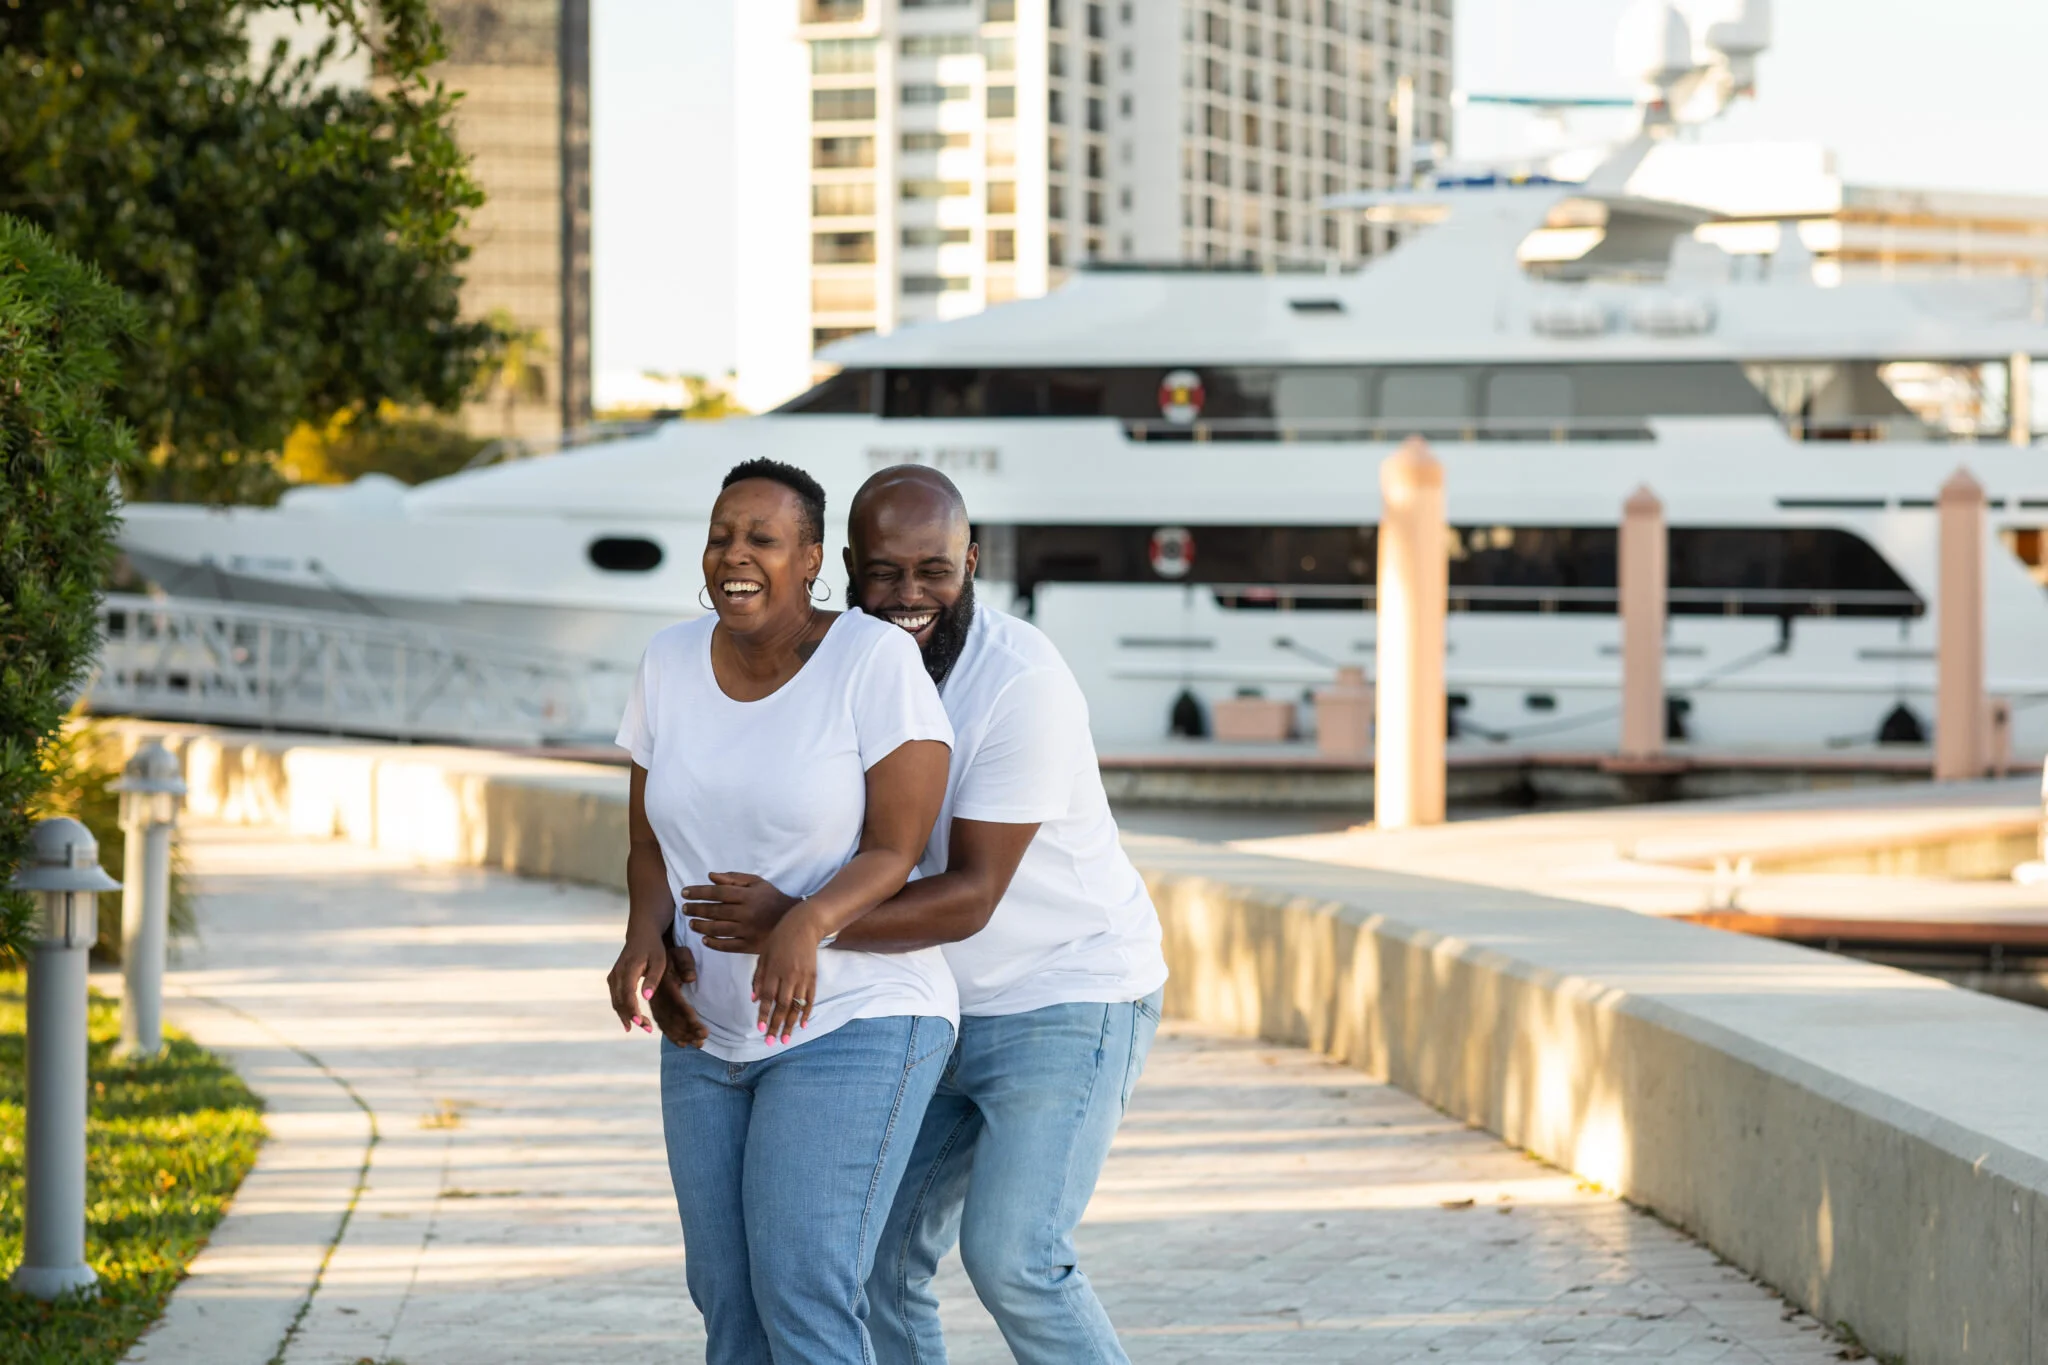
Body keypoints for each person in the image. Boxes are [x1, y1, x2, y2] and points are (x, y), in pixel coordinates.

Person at [665, 465, 1168, 1365]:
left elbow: (972, 894)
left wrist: (801, 922)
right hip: (923, 1006)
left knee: (1016, 1257)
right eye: (885, 572)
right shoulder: (838, 665)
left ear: (972, 562)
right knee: (868, 1266)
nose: (908, 595)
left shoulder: (1020, 682)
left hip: (1063, 992)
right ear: (846, 566)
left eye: (933, 570)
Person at [605, 457, 959, 1364]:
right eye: (723, 535)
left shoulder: (872, 661)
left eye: (762, 538)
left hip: (853, 1019)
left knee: (804, 1291)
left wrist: (804, 918)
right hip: (706, 1030)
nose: (736, 554)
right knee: (727, 1301)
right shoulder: (669, 660)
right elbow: (650, 839)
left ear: (811, 560)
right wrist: (645, 938)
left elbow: (898, 845)